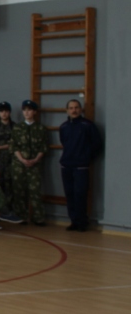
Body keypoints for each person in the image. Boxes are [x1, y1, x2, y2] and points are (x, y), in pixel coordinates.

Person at [59, 99, 102, 232]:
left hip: (81, 167)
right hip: (66, 166)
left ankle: (82, 222)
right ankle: (74, 221)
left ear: (80, 109)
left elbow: (97, 145)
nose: (74, 110)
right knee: (70, 194)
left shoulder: (88, 125)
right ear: (67, 110)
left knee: (80, 194)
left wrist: (86, 158)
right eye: (71, 108)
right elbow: (63, 142)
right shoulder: (64, 127)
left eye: (76, 107)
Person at [11, 100, 49, 226]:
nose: (26, 112)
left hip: (35, 164)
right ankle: (21, 216)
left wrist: (36, 159)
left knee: (35, 191)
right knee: (19, 191)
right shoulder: (17, 128)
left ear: (34, 112)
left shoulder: (40, 128)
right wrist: (22, 159)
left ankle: (38, 218)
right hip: (19, 164)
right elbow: (14, 146)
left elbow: (43, 147)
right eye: (24, 110)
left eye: (29, 110)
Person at [0, 101, 18, 220]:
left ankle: (9, 211)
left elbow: (15, 143)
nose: (4, 113)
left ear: (9, 112)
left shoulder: (15, 127)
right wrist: (6, 146)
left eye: (6, 111)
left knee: (10, 186)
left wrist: (2, 147)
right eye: (1, 111)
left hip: (11, 160)